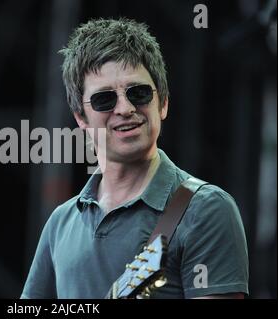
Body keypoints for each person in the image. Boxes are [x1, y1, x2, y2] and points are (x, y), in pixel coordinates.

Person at [21, 18, 249, 299]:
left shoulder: (204, 210)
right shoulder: (61, 222)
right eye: (105, 99)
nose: (125, 108)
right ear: (81, 117)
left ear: (162, 103)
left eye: (138, 93)